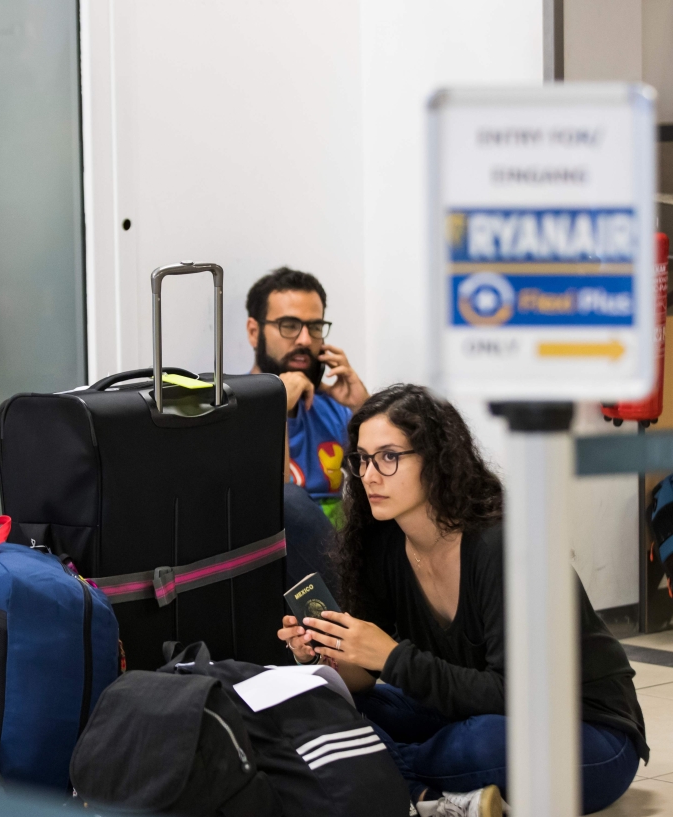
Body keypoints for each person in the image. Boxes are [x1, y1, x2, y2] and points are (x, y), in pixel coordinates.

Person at [277, 384, 647, 817]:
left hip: (586, 731)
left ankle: (387, 780)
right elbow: (367, 679)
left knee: (479, 742)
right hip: (463, 711)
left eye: (389, 457)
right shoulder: (383, 543)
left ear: (436, 461)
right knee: (326, 702)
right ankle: (431, 799)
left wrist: (393, 658)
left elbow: (513, 696)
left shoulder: (500, 545)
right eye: (362, 459)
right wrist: (328, 655)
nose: (370, 475)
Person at [245, 267, 368, 587]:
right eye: (289, 326)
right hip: (274, 576)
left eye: (314, 327)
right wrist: (276, 409)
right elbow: (270, 511)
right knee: (287, 501)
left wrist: (363, 407)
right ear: (254, 332)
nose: (304, 340)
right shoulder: (234, 413)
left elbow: (391, 477)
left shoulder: (335, 408)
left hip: (344, 564)